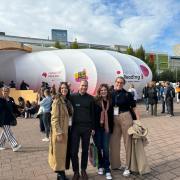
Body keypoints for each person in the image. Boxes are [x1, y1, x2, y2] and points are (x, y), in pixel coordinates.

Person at [110, 77, 138, 177]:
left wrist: (137, 121)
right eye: (117, 82)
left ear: (124, 84)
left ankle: (128, 166)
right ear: (115, 82)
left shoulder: (128, 94)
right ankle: (115, 164)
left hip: (126, 116)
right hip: (113, 118)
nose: (119, 84)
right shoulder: (110, 93)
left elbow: (134, 107)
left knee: (128, 142)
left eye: (121, 83)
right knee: (114, 142)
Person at [70, 80, 95, 180]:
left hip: (87, 128)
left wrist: (93, 128)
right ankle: (76, 172)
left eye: (86, 86)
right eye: (82, 85)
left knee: (85, 150)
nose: (84, 87)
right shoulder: (73, 97)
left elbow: (93, 114)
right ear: (79, 86)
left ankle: (83, 170)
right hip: (75, 128)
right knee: (73, 151)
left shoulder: (91, 99)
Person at [49, 82, 73, 180]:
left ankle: (61, 172)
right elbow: (54, 118)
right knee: (59, 153)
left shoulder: (67, 100)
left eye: (66, 88)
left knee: (64, 152)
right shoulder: (57, 101)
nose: (64, 90)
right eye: (62, 88)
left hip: (68, 129)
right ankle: (60, 174)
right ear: (59, 89)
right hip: (60, 131)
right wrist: (58, 132)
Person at [94, 84, 114, 180]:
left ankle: (107, 168)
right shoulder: (96, 101)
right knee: (98, 148)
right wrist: (92, 129)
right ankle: (100, 165)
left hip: (106, 129)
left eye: (105, 90)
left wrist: (112, 128)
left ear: (107, 91)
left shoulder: (110, 102)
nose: (103, 91)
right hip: (97, 129)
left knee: (105, 149)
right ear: (99, 91)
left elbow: (112, 117)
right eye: (101, 90)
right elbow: (92, 115)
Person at [0, 86, 21, 151]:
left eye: (7, 91)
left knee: (5, 131)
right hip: (3, 118)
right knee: (8, 132)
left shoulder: (11, 99)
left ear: (9, 92)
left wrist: (18, 112)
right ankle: (14, 145)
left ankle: (0, 144)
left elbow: (14, 107)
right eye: (4, 91)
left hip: (9, 117)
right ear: (2, 92)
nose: (5, 92)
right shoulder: (0, 100)